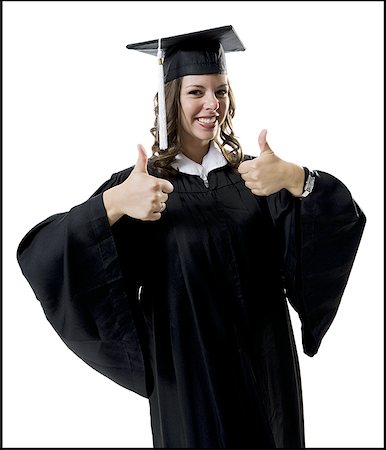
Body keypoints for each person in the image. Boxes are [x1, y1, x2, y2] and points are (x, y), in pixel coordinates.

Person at [17, 25, 366, 448]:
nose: (211, 104)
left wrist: (297, 178)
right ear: (172, 99)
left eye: (220, 91)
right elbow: (50, 256)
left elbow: (339, 224)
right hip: (188, 369)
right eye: (195, 91)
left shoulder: (255, 177)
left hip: (265, 364)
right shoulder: (142, 187)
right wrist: (111, 204)